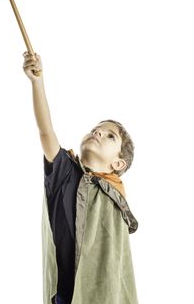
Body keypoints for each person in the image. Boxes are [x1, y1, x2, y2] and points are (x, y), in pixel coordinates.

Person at [22, 51, 139, 304]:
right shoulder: (65, 171)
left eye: (110, 136)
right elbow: (46, 132)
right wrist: (37, 82)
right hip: (64, 296)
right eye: (96, 129)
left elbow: (118, 272)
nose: (98, 132)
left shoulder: (115, 199)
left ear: (118, 163)